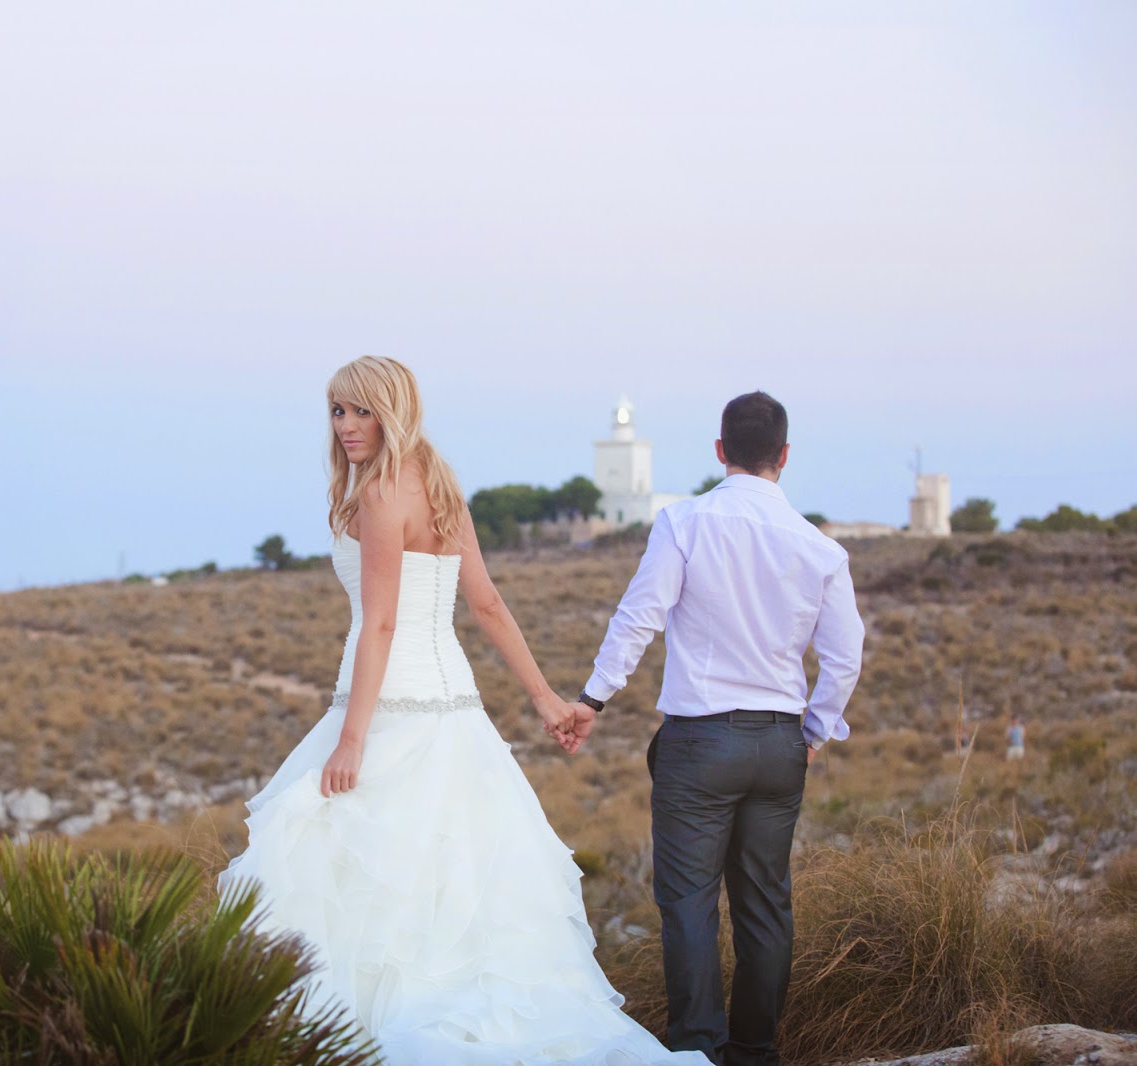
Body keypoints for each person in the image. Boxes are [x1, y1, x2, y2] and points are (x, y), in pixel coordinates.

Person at [218, 356, 709, 1066]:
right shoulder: (438, 484)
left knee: (357, 874)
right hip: (451, 713)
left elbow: (383, 624)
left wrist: (353, 738)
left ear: (396, 411)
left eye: (362, 410)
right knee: (443, 887)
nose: (347, 426)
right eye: (336, 411)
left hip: (392, 712)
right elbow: (486, 604)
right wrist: (545, 699)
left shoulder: (386, 493)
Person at [564, 391, 865, 1066]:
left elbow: (639, 616)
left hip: (699, 744)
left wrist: (594, 698)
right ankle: (755, 1051)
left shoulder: (683, 523)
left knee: (689, 903)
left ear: (720, 450)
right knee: (765, 904)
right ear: (784, 457)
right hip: (780, 743)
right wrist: (813, 731)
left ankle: (697, 1050)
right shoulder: (821, 549)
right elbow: (846, 656)